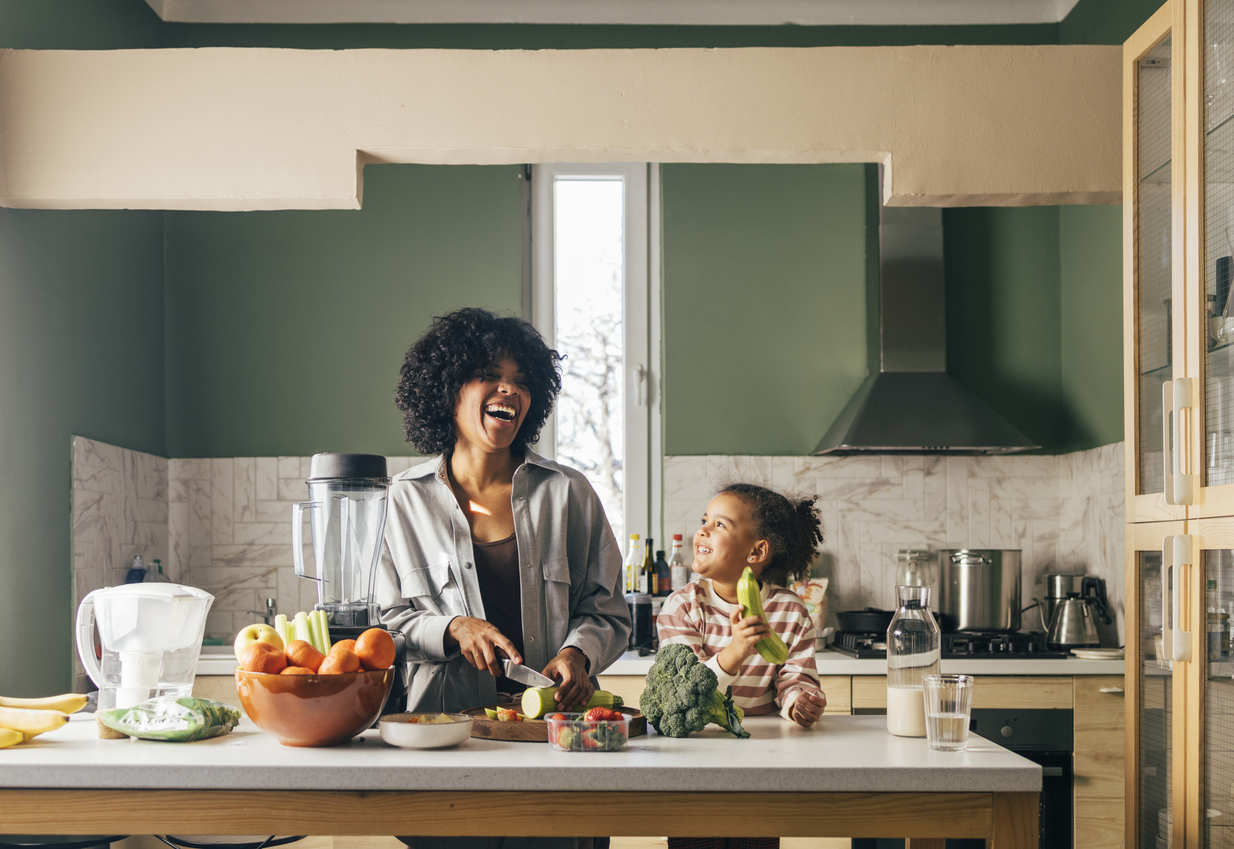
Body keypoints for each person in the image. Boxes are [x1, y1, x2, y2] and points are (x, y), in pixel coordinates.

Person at [375, 308, 631, 849]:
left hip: (555, 748)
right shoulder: (401, 501)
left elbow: (607, 610)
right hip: (441, 748)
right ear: (447, 390)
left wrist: (578, 654)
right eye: (490, 374)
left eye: (522, 381)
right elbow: (383, 625)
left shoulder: (569, 493)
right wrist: (453, 630)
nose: (508, 390)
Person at [655, 483, 828, 849]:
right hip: (693, 761)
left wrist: (800, 701)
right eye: (705, 520)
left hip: (762, 765)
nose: (702, 530)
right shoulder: (682, 606)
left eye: (720, 524)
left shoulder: (789, 610)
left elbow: (796, 677)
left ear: (757, 551)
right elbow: (681, 695)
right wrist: (736, 651)